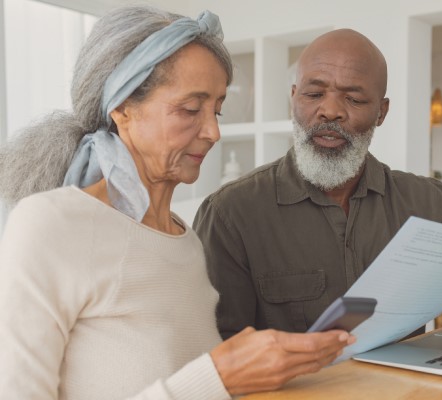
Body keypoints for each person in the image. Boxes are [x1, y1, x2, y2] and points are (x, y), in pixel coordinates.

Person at [0, 7, 354, 400]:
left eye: (217, 109)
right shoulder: (50, 226)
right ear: (122, 109)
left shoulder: (184, 240)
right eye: (190, 109)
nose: (213, 131)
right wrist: (218, 378)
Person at [193, 29, 442, 346]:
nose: (329, 111)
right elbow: (214, 352)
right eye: (314, 93)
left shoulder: (424, 201)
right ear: (293, 97)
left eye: (354, 99)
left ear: (382, 111)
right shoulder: (231, 213)